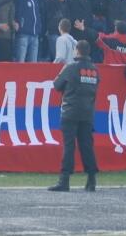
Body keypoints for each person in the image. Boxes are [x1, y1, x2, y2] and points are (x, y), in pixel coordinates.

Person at [48, 40, 100, 192]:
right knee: (87, 146)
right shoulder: (95, 70)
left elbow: (56, 85)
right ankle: (91, 180)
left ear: (77, 51)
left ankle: (64, 181)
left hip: (70, 111)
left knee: (69, 146)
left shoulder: (70, 67)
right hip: (87, 113)